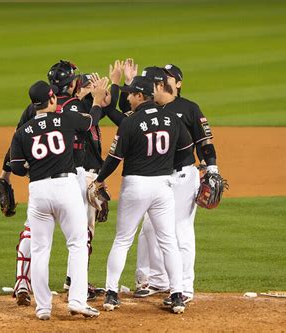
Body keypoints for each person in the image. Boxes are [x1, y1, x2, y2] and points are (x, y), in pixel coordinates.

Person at [91, 76, 194, 314]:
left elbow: (114, 159)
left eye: (130, 94)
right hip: (163, 186)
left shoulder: (131, 122)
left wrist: (99, 180)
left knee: (123, 240)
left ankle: (111, 293)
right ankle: (177, 294)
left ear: (140, 96)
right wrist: (166, 165)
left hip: (136, 185)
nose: (127, 98)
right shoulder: (172, 119)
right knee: (168, 241)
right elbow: (186, 150)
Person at [9, 80, 108, 320]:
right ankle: (76, 301)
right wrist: (95, 101)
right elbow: (90, 121)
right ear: (52, 98)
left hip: (38, 192)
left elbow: (17, 168)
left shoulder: (22, 132)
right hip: (65, 188)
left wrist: (33, 166)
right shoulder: (65, 119)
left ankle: (43, 308)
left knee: (41, 249)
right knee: (77, 243)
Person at [134, 65, 221, 307]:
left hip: (182, 176)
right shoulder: (147, 108)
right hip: (156, 178)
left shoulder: (189, 109)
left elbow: (205, 142)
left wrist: (211, 167)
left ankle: (183, 287)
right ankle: (158, 281)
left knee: (181, 229)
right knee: (150, 228)